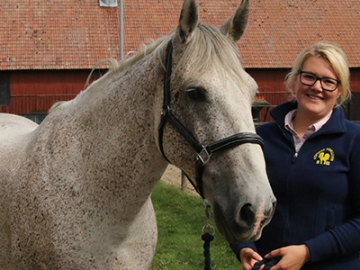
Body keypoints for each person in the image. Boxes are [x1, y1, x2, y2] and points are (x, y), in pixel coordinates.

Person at [231, 42, 360, 270]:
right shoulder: (259, 138)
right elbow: (236, 201)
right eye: (309, 77)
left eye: (329, 81)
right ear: (295, 79)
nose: (317, 87)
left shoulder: (354, 140)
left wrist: (308, 252)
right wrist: (243, 246)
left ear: (340, 90)